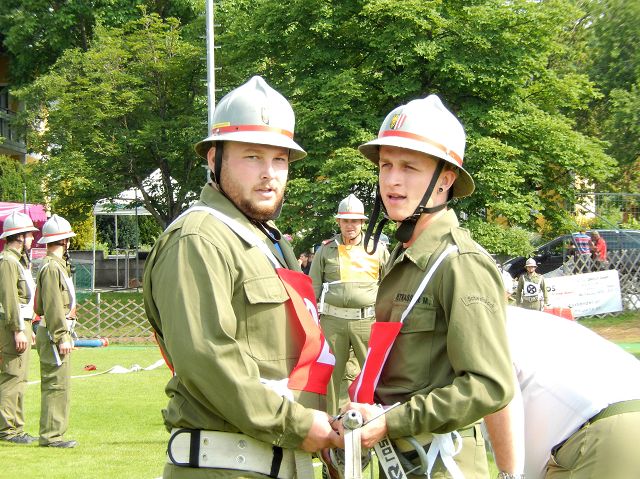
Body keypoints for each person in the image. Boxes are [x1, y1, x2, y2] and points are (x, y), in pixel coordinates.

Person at [143, 76, 341, 478]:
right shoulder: (198, 237)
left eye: (280, 160)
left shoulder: (269, 242)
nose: (269, 174)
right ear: (214, 159)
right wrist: (300, 425)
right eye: (252, 157)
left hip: (284, 460)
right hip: (226, 466)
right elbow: (208, 360)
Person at [343, 94, 514, 478]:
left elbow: (489, 385)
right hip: (399, 460)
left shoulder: (459, 263)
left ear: (446, 180)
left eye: (409, 167)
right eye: (385, 165)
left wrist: (393, 420)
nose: (392, 180)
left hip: (441, 463)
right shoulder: (402, 257)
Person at [484, 307, 640, 479]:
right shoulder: (525, 319)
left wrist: (509, 475)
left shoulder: (482, 325)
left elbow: (501, 393)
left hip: (603, 433)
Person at [309, 193, 389, 414]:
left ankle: (375, 420)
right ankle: (331, 424)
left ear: (363, 222)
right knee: (329, 375)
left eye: (355, 220)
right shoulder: (326, 249)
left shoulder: (377, 248)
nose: (350, 225)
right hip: (333, 322)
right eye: (346, 220)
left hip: (367, 321)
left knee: (373, 374)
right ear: (339, 222)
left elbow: (391, 284)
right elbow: (314, 286)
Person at [34, 214, 78, 448]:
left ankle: (54, 434)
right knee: (55, 385)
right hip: (53, 334)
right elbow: (51, 306)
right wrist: (62, 335)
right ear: (64, 242)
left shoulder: (56, 266)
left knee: (59, 385)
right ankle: (51, 436)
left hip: (55, 331)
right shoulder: (52, 268)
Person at [0, 211, 39, 444]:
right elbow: (10, 298)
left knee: (20, 378)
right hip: (11, 325)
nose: (32, 239)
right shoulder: (8, 262)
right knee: (12, 376)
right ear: (19, 236)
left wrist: (27, 328)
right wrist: (17, 330)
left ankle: (17, 427)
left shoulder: (17, 261)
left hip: (21, 323)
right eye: (29, 235)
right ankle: (7, 430)